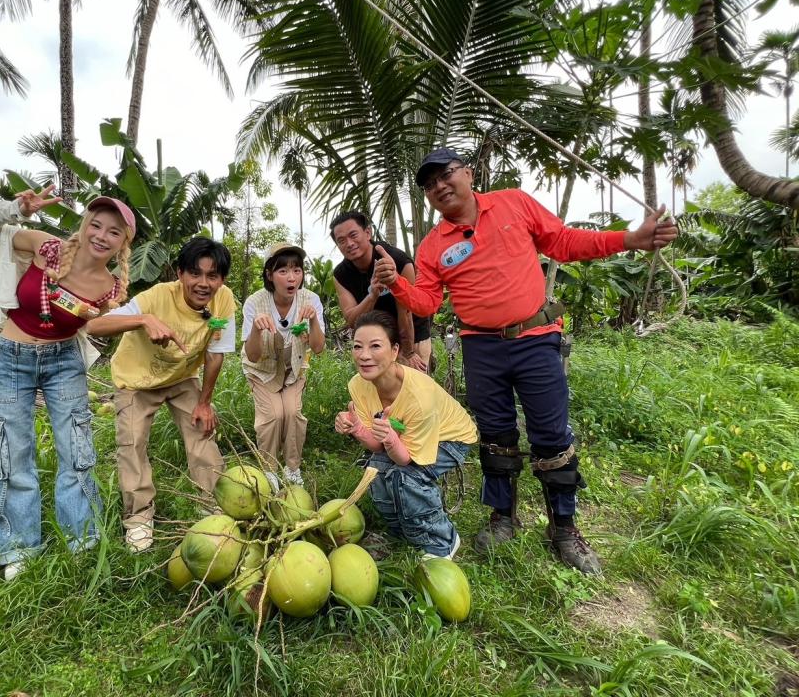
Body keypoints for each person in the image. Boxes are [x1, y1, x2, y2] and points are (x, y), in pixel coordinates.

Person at [373, 147, 679, 574]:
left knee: (552, 434)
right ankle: (503, 517)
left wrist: (630, 239)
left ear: (469, 173)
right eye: (429, 184)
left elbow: (565, 242)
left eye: (445, 174)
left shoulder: (514, 203)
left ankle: (565, 528)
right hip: (481, 347)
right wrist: (397, 287)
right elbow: (427, 300)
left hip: (535, 339)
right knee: (496, 435)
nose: (439, 186)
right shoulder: (431, 247)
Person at [0, 186, 134, 581]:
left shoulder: (111, 289)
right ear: (85, 224)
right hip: (12, 357)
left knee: (76, 448)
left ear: (123, 243)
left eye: (114, 231)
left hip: (63, 362)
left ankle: (82, 540)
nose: (101, 235)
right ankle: (20, 547)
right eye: (96, 224)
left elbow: (99, 327)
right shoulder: (49, 248)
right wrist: (16, 209)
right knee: (12, 449)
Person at [85, 237, 235, 553]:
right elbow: (96, 325)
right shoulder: (155, 297)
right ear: (180, 273)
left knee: (202, 432)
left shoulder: (223, 301)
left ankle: (209, 506)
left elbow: (216, 353)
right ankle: (139, 519)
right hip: (136, 380)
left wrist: (205, 403)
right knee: (133, 443)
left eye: (213, 276)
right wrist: (142, 319)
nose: (203, 283)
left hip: (181, 378)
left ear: (222, 279)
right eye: (195, 273)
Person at [335, 311, 476, 559]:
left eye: (375, 346)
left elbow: (405, 460)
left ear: (394, 351)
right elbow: (378, 447)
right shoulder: (358, 384)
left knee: (406, 478)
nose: (364, 355)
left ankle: (442, 540)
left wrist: (390, 438)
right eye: (358, 346)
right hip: (407, 435)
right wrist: (357, 428)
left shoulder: (419, 396)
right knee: (376, 470)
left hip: (451, 437)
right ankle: (401, 531)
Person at [241, 243, 325, 488]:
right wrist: (257, 328)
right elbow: (253, 356)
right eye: (283, 271)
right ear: (269, 274)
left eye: (296, 270)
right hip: (262, 371)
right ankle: (268, 471)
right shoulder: (255, 303)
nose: (291, 278)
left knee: (292, 413)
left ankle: (291, 468)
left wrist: (313, 322)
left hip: (294, 370)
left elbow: (318, 348)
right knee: (273, 416)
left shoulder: (311, 300)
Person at [331, 211, 431, 372]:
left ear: (368, 232)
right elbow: (351, 320)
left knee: (416, 387)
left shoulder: (398, 261)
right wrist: (372, 296)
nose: (349, 243)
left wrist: (409, 352)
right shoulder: (340, 275)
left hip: (413, 332)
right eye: (341, 240)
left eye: (353, 235)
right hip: (376, 338)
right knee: (382, 391)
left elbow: (405, 313)